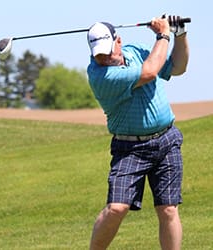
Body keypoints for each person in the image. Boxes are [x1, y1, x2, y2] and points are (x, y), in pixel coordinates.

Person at [86, 15, 189, 250]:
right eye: (99, 54)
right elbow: (150, 72)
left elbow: (179, 67)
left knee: (169, 208)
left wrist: (179, 34)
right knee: (116, 208)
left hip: (166, 140)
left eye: (107, 51)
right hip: (129, 149)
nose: (104, 58)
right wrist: (163, 34)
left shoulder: (136, 52)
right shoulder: (101, 76)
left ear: (118, 41)